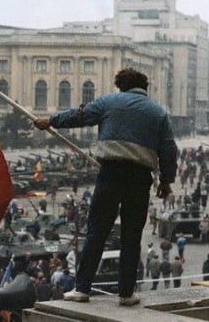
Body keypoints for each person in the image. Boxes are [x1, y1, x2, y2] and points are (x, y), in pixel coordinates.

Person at [34, 68, 177, 306]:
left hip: (110, 174)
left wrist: (50, 121)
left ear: (120, 86)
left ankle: (82, 289)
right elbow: (169, 150)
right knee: (131, 236)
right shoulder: (158, 113)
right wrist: (166, 181)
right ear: (145, 88)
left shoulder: (108, 102)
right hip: (140, 178)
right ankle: (126, 293)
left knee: (97, 232)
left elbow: (78, 116)